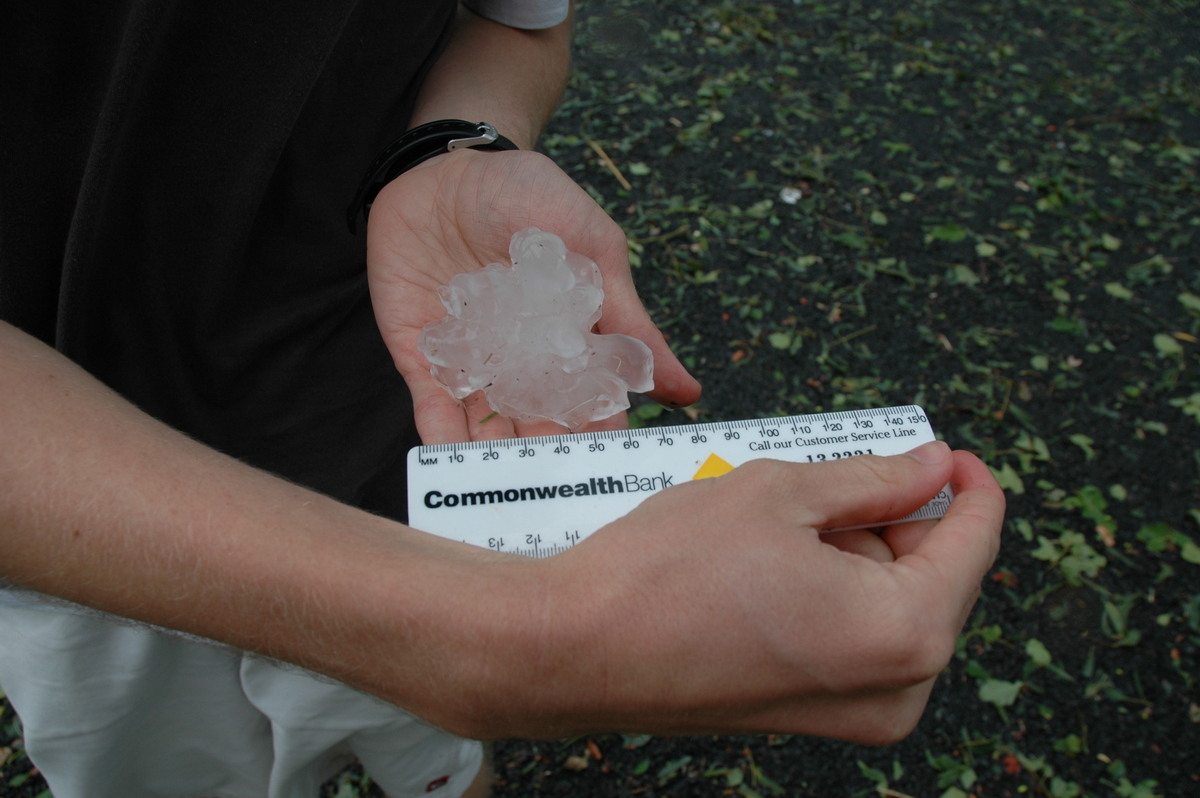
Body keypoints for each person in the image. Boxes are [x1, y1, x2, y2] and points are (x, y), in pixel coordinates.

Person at [0, 2, 1006, 797]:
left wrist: (451, 146)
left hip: (402, 431)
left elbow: (516, 26)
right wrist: (500, 638)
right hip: (70, 536)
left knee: (432, 759)